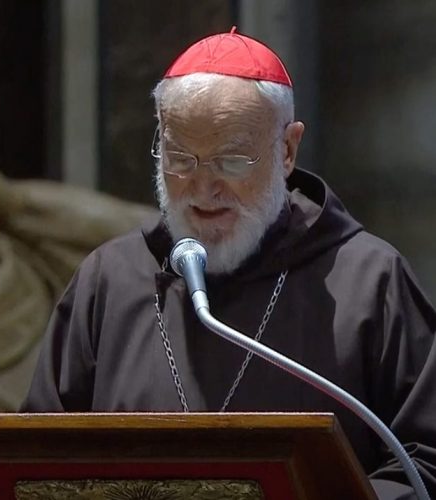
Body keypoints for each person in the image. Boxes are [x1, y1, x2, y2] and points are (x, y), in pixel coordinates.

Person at [22, 28, 436, 499]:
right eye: (180, 159)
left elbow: (424, 461)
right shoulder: (110, 280)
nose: (203, 190)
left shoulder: (368, 280)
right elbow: (32, 461)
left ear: (287, 150)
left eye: (232, 161)